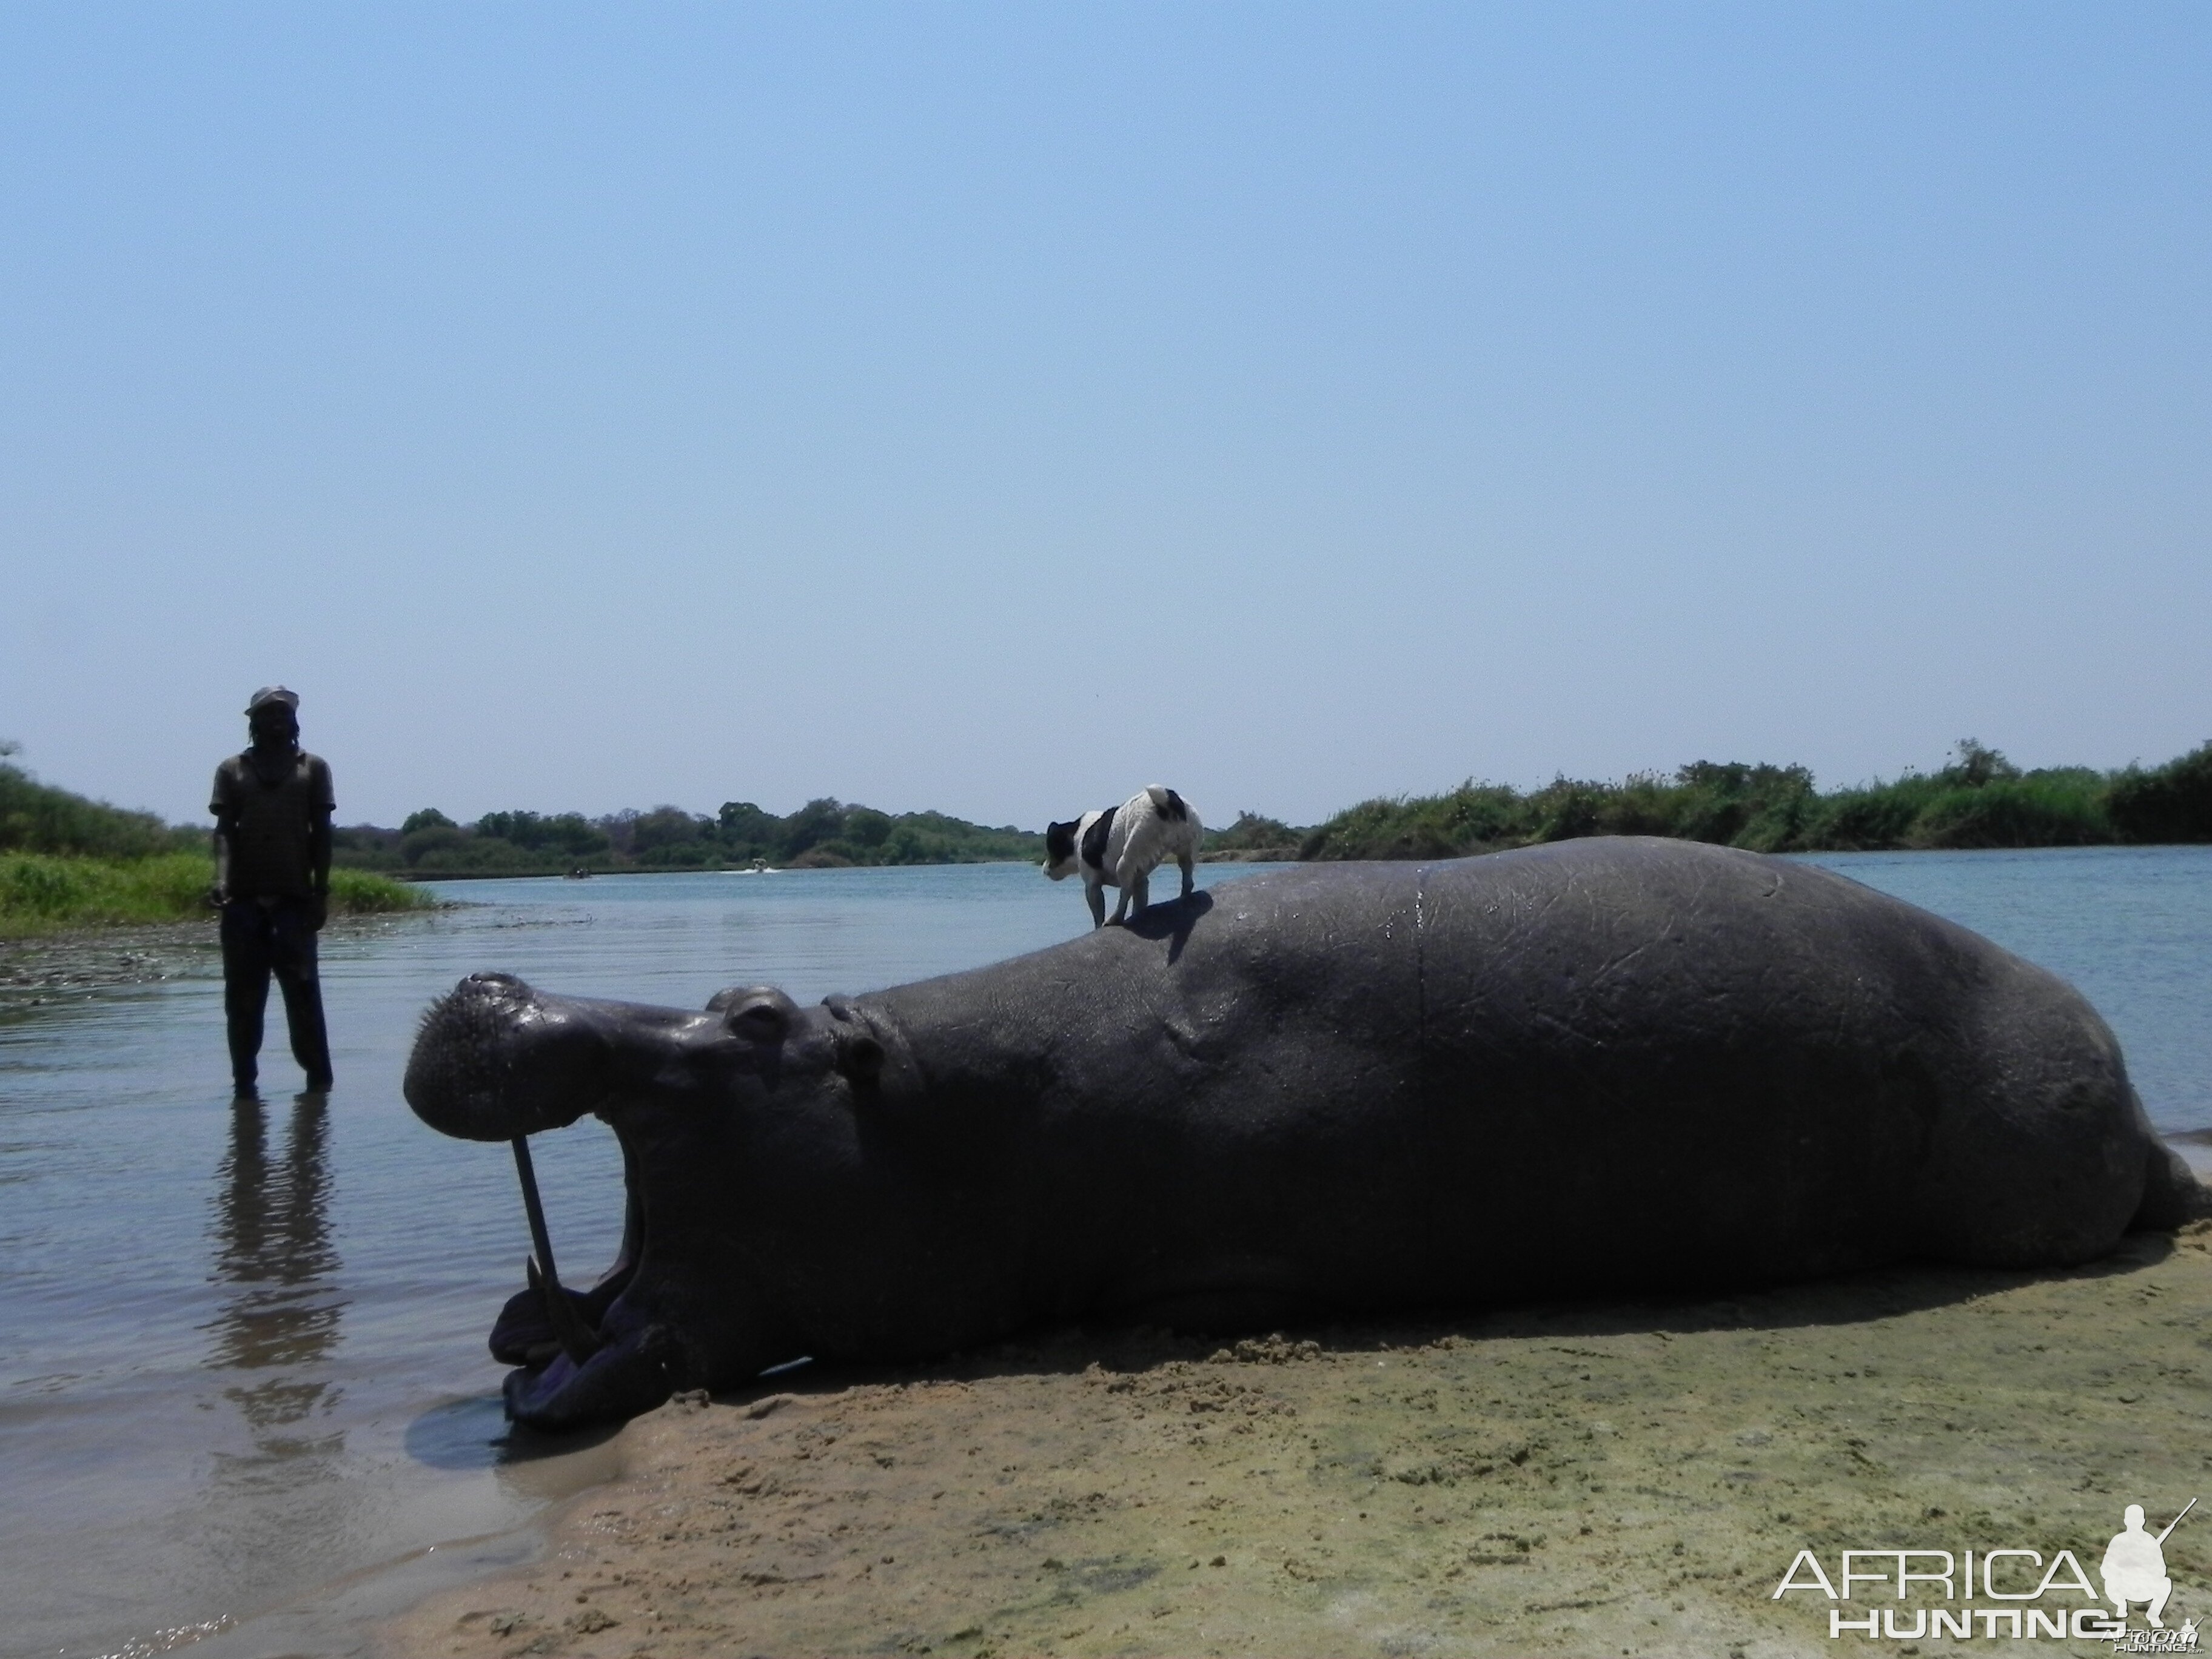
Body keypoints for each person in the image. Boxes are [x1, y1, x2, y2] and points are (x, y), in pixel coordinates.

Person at [211, 687, 335, 1095]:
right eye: (268, 712)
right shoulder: (232, 770)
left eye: (284, 712)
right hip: (244, 905)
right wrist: (222, 881)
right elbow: (225, 832)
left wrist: (321, 892)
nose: (277, 718)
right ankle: (244, 1088)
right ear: (255, 721)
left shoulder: (313, 768)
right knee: (243, 1005)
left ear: (294, 720)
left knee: (304, 1001)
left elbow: (323, 835)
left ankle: (319, 1091)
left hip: (295, 904)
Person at [2100, 1503, 2174, 1627]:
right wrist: (2123, 1568)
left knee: (2166, 1583)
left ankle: (2153, 1615)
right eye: (2131, 1520)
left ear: (2143, 1521)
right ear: (2126, 1521)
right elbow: (2105, 1569)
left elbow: (2162, 1570)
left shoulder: (2150, 1542)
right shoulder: (2118, 1541)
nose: (2134, 1523)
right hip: (2122, 1588)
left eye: (2137, 1520)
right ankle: (2121, 1605)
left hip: (2143, 1587)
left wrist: (2147, 1567)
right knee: (2110, 1581)